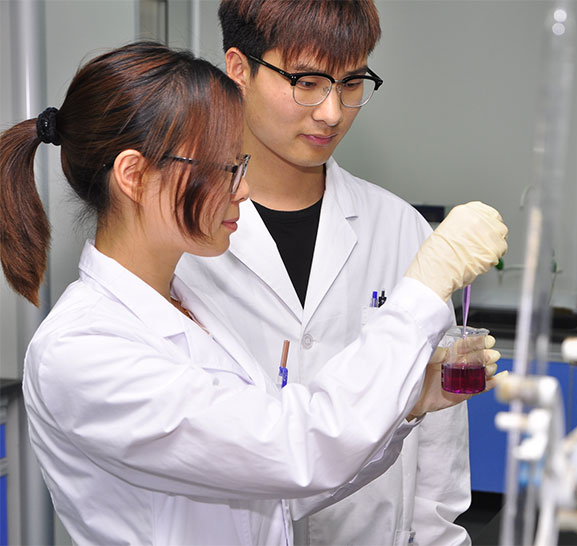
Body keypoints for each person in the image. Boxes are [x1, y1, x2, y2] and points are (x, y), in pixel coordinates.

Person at [0, 42, 508, 545]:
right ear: (134, 176)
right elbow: (293, 451)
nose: (242, 189)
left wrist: (407, 402)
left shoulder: (188, 309)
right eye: (223, 169)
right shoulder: (82, 350)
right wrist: (421, 293)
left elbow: (273, 494)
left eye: (238, 165)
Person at [176, 2, 489, 544]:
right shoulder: (180, 238)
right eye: (307, 82)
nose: (331, 112)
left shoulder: (399, 228)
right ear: (239, 68)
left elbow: (438, 462)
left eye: (351, 83)